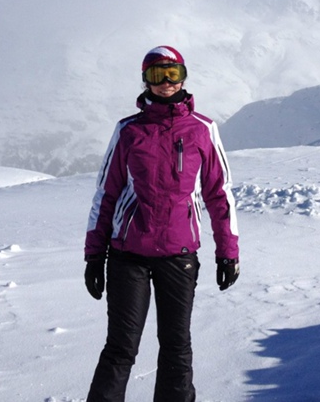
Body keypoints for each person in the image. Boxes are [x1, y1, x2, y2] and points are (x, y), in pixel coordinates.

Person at [83, 45, 240, 402]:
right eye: (158, 75)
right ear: (145, 81)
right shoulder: (128, 131)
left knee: (176, 347)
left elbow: (220, 194)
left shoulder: (203, 129)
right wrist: (95, 255)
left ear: (184, 77)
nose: (167, 83)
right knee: (121, 348)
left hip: (178, 254)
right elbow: (106, 195)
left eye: (174, 74)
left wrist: (227, 253)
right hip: (128, 254)